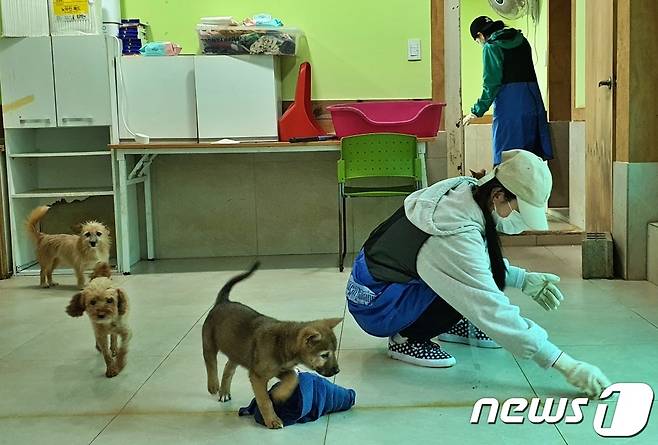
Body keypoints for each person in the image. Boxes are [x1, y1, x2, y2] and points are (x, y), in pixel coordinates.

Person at [345, 150, 610, 398]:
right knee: (471, 294)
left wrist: (522, 279)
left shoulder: (467, 196)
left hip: (388, 288)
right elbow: (487, 304)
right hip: (376, 305)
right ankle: (408, 338)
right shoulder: (451, 233)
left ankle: (448, 323)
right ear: (498, 195)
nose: (520, 220)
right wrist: (565, 364)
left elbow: (475, 264)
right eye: (519, 209)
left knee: (467, 284)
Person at [459, 16, 553, 166]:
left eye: (478, 41)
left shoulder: (491, 47)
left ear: (480, 35)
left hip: (510, 109)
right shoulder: (522, 41)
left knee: (507, 163)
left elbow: (491, 84)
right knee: (531, 162)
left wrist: (476, 111)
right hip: (533, 103)